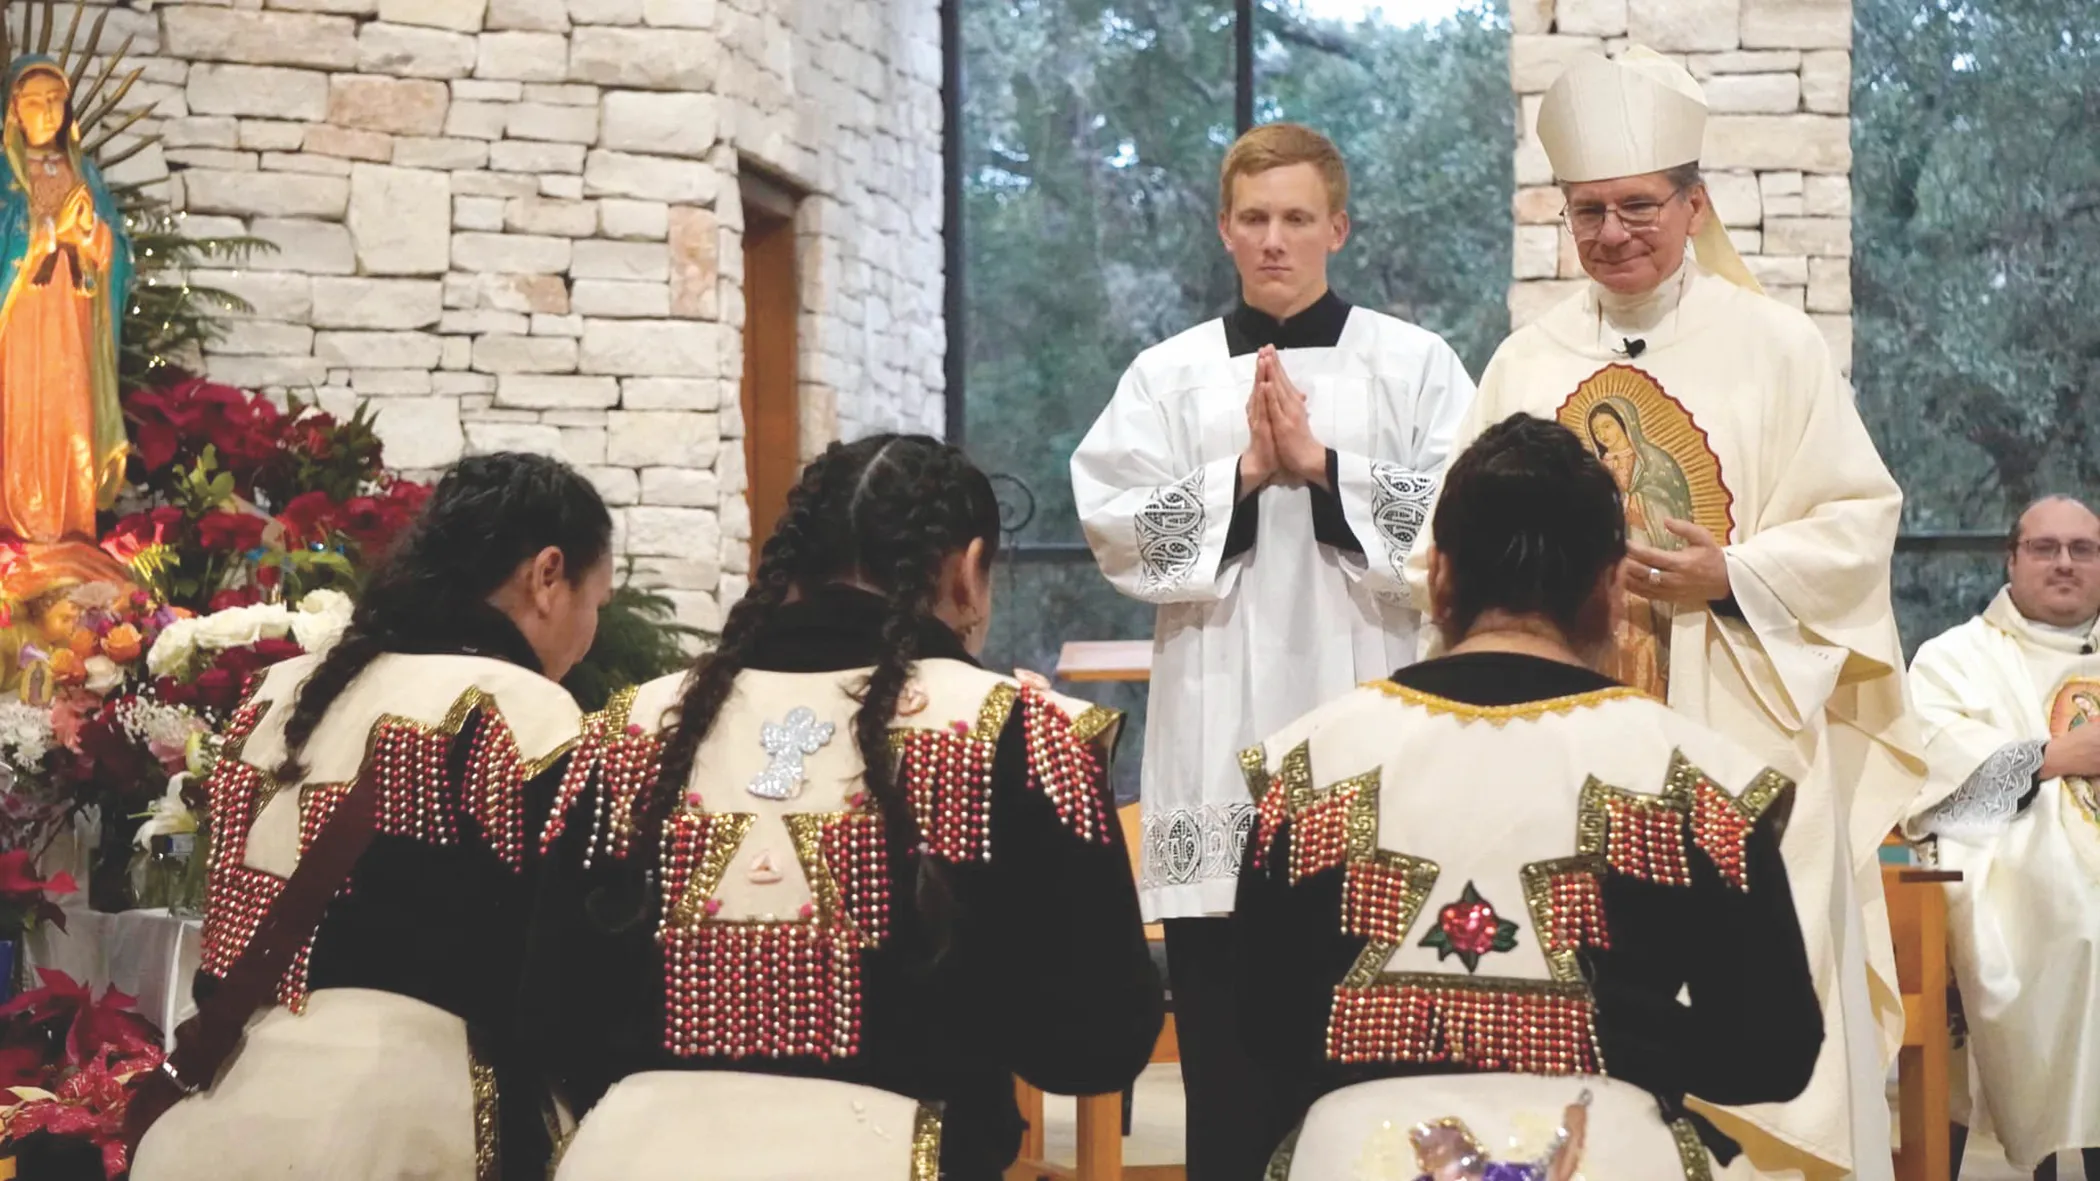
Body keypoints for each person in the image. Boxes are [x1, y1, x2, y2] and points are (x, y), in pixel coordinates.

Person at [1405, 47, 1922, 1181]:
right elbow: (1442, 541)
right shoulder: (1524, 361)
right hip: (1552, 742)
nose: (1614, 231)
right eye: (1589, 210)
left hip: (1735, 722)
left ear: (1693, 204)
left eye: (1638, 205)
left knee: (1747, 1011)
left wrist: (1732, 573)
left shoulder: (1777, 347)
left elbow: (1858, 519)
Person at [526, 435, 1163, 1181]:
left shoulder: (627, 729)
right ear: (967, 570)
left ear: (792, 567)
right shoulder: (1019, 733)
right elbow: (1093, 1041)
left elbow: (545, 1010)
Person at [1241, 414, 1823, 1179]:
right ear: (1613, 585)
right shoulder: (1701, 780)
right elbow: (1772, 1051)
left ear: (1441, 574)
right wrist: (1621, 1037)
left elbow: (1262, 1029)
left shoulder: (1304, 766)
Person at [1070, 121, 1475, 1181]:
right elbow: (1114, 530)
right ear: (1223, 228)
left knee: (1372, 1088)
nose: (1275, 239)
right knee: (1231, 1083)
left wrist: (1324, 465)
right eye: (1254, 218)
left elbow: (1460, 525)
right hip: (1219, 746)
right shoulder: (1167, 376)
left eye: (1298, 217)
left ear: (1338, 226)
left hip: (1376, 738)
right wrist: (1243, 478)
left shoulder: (1415, 364)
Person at [130, 453, 615, 1181]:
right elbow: (563, 970)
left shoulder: (276, 693)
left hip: (222, 1116)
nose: (592, 630)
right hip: (412, 1125)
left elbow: (224, 937)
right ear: (548, 576)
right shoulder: (520, 709)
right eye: (598, 600)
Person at [1904, 496, 2100, 1181]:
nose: (2066, 562)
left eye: (2084, 548)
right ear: (2010, 560)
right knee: (2070, 918)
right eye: (2046, 548)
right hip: (2023, 883)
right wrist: (2053, 755)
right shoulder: (1954, 658)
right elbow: (1930, 774)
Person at [1, 54, 132, 546]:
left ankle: (68, 527)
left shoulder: (85, 172)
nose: (48, 113)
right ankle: (16, 528)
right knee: (20, 413)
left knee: (67, 413)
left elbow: (118, 248)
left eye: (56, 101)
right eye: (35, 103)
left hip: (73, 318)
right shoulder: (2, 175)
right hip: (17, 322)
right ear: (15, 112)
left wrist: (92, 236)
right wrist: (52, 234)